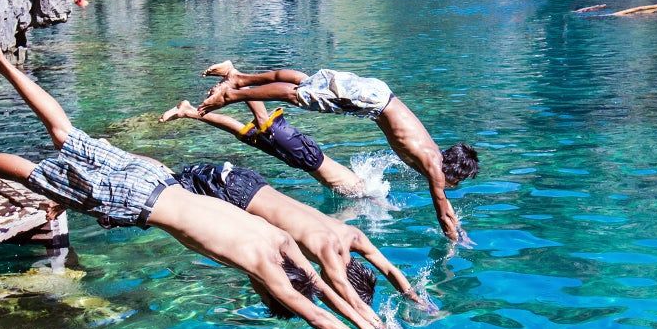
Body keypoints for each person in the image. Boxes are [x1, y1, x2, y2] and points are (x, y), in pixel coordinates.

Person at [0, 39, 393, 329]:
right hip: (138, 202)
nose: (263, 293)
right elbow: (312, 308)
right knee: (38, 175)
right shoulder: (265, 265)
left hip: (160, 177)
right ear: (271, 289)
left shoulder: (281, 239)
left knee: (65, 134)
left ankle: (2, 63)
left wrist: (369, 325)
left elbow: (325, 290)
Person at [191, 62, 479, 241]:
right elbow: (442, 211)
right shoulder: (433, 164)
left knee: (306, 83)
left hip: (377, 96)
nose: (453, 186)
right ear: (452, 171)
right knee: (299, 95)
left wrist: (458, 225)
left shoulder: (432, 154)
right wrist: (455, 239)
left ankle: (239, 77)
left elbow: (446, 207)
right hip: (371, 101)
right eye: (458, 181)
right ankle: (232, 94)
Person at [172, 160, 433, 329]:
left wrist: (415, 298)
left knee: (166, 185)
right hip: (233, 195)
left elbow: (389, 269)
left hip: (251, 182)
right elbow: (346, 297)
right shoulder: (328, 256)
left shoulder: (353, 236)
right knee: (166, 189)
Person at [160, 99, 367, 195]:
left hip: (299, 160)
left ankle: (188, 111)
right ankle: (235, 80)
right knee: (263, 120)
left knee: (242, 132)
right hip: (307, 156)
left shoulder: (360, 185)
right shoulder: (364, 191)